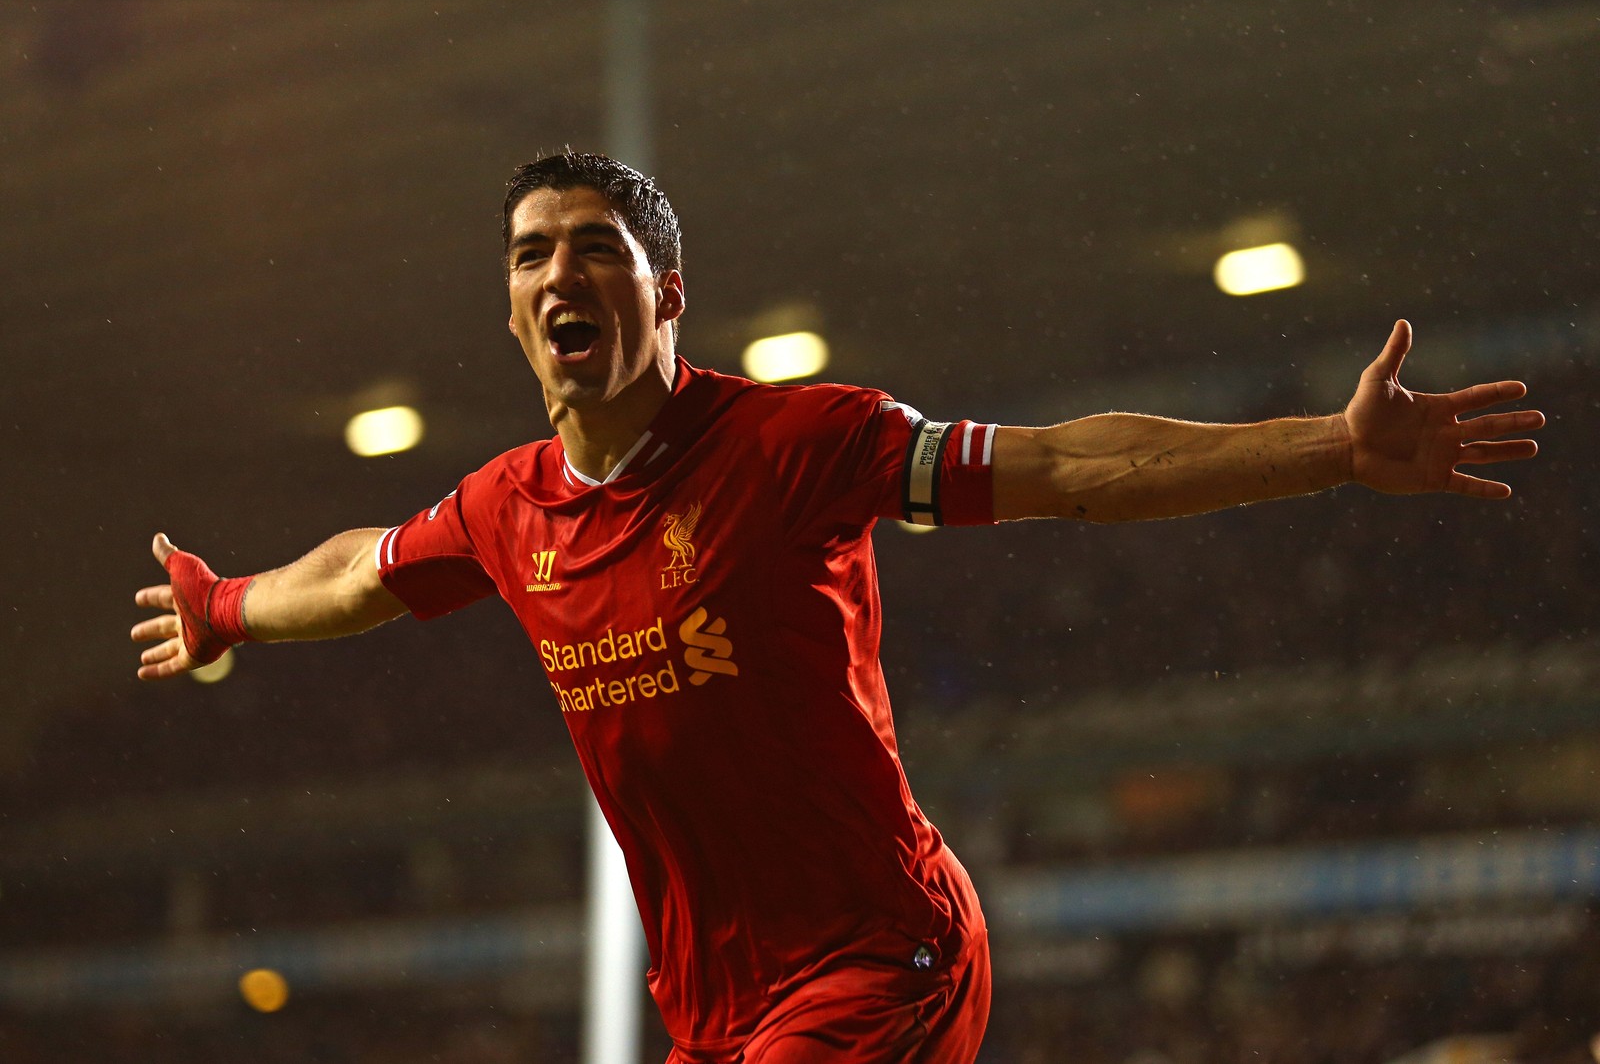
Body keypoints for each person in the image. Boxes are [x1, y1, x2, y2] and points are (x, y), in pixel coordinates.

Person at [131, 152, 1543, 1063]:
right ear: (511, 310)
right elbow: (364, 570)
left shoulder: (801, 444)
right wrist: (231, 608)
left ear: (667, 296)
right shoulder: (507, 509)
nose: (561, 269)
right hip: (720, 1022)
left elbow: (1070, 471)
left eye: (598, 246)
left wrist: (1330, 449)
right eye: (530, 251)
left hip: (886, 958)